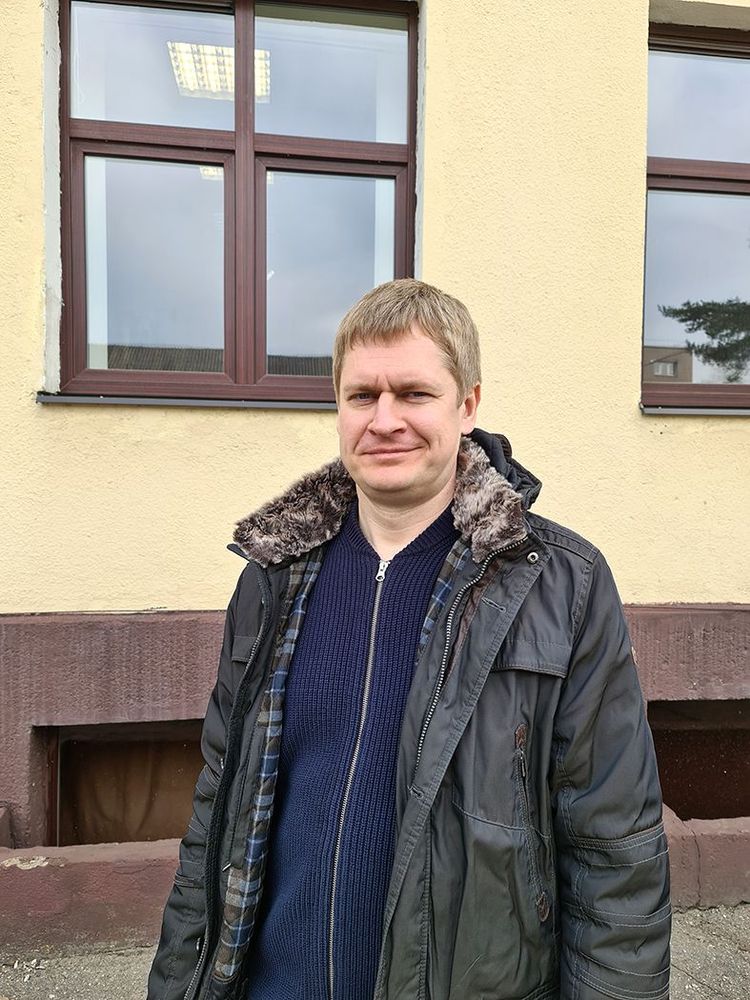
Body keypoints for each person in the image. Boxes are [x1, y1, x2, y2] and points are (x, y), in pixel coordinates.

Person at [147, 279, 671, 1000]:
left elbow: (613, 849)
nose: (384, 419)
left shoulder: (557, 584)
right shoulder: (272, 579)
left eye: (414, 394)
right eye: (362, 395)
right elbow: (218, 811)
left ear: (468, 405)